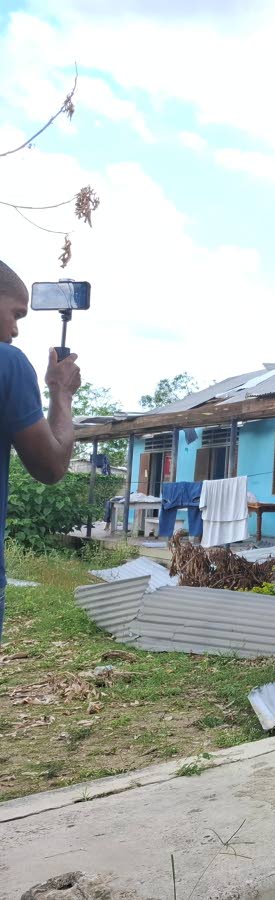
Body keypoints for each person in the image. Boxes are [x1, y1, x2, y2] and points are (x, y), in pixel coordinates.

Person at [0, 260, 81, 646]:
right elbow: (51, 466)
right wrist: (60, 393)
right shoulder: (7, 363)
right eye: (16, 314)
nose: (15, 330)